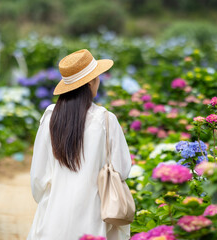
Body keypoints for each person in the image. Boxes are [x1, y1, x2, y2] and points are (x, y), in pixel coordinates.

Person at [27, 49, 132, 240]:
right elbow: (122, 170)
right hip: (95, 215)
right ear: (91, 81)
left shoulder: (51, 116)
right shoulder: (106, 120)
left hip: (54, 214)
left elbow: (38, 177)